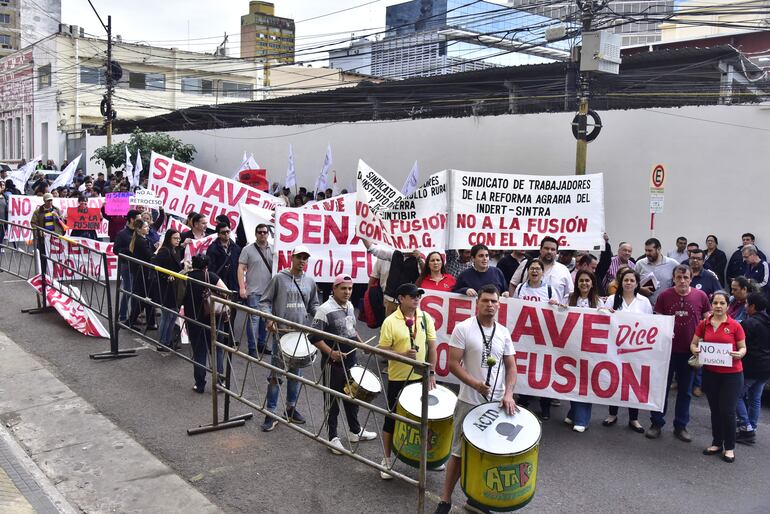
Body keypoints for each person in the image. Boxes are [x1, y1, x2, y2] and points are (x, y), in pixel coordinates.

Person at [434, 285, 517, 514]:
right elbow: (452, 364)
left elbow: (511, 367)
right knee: (459, 452)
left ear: (499, 305)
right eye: (486, 301)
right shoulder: (463, 328)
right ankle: (445, 499)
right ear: (477, 303)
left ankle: (477, 499)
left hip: (497, 403)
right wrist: (475, 384)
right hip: (469, 400)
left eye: (494, 301)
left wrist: (508, 393)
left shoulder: (503, 332)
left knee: (489, 453)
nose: (490, 305)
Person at [309, 274, 377, 454]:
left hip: (351, 360)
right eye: (343, 288)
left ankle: (355, 431)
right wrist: (331, 352)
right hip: (333, 363)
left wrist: (361, 344)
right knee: (332, 400)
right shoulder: (324, 310)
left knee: (352, 396)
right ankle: (332, 437)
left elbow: (351, 330)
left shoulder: (349, 305)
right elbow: (314, 336)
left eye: (350, 288)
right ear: (334, 288)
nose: (347, 292)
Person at [377, 282, 437, 480]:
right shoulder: (391, 321)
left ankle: (428, 458)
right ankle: (386, 460)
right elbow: (381, 351)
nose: (417, 299)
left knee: (425, 419)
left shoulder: (426, 318)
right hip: (398, 377)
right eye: (412, 296)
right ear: (401, 298)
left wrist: (432, 372)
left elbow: (432, 347)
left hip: (421, 376)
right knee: (391, 418)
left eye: (418, 296)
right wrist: (403, 354)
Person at [646, 265, 710, 442]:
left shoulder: (701, 296)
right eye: (679, 277)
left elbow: (708, 319)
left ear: (691, 279)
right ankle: (656, 423)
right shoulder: (664, 296)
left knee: (685, 391)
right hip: (666, 352)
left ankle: (681, 426)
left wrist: (704, 343)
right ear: (673, 278)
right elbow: (657, 322)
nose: (682, 280)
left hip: (689, 352)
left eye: (686, 277)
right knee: (661, 390)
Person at [258, 245, 319, 431]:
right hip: (281, 336)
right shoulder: (279, 278)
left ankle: (290, 409)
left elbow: (314, 305)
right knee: (276, 376)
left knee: (296, 376)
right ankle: (271, 412)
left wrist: (320, 320)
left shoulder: (310, 282)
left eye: (305, 258)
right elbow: (265, 302)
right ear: (292, 258)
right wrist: (268, 319)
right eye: (299, 257)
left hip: (300, 336)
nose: (302, 261)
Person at [691, 290, 746, 463]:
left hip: (732, 375)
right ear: (711, 305)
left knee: (727, 411)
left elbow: (743, 347)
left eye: (722, 303)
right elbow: (693, 343)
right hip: (711, 373)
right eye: (715, 303)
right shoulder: (704, 324)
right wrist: (696, 350)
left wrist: (740, 354)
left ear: (727, 306)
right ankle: (716, 443)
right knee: (715, 410)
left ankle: (729, 447)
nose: (718, 306)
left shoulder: (735, 326)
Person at [601, 268, 652, 432]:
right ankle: (612, 414)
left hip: (636, 349)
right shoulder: (611, 299)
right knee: (614, 379)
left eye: (632, 280)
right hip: (615, 347)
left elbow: (652, 324)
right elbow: (602, 318)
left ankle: (634, 418)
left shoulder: (644, 302)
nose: (628, 283)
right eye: (626, 280)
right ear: (621, 282)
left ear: (637, 283)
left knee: (633, 382)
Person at [510, 259, 556, 420]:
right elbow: (514, 307)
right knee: (524, 368)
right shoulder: (521, 288)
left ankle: (545, 405)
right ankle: (523, 400)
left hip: (542, 337)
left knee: (543, 370)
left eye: (538, 269)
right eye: (532, 269)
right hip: (523, 336)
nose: (535, 271)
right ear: (527, 271)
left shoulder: (549, 290)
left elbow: (558, 312)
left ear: (543, 272)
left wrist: (554, 304)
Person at [563, 270, 601, 432]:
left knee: (585, 383)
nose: (584, 283)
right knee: (572, 381)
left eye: (587, 280)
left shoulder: (599, 303)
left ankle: (581, 419)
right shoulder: (568, 298)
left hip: (588, 350)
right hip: (569, 348)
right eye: (581, 281)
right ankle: (573, 413)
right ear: (576, 283)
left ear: (592, 283)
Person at [183, 254, 226, 393]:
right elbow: (226, 292)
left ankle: (200, 383)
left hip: (193, 318)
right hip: (213, 318)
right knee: (217, 350)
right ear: (207, 266)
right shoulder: (211, 277)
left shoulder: (186, 277)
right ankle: (219, 382)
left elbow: (179, 297)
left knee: (199, 351)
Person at [735, 293, 770, 445]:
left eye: (747, 303)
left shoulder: (748, 324)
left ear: (753, 307)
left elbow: (740, 345)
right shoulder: (767, 321)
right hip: (766, 367)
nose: (745, 305)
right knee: (755, 398)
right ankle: (751, 427)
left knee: (736, 395)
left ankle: (746, 427)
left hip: (752, 368)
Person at [238, 223, 273, 357]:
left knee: (265, 320)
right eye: (260, 232)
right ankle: (252, 348)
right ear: (255, 234)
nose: (262, 234)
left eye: (265, 232)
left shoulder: (274, 249)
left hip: (269, 291)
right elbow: (240, 269)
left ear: (268, 234)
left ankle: (262, 344)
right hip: (253, 291)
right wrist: (242, 288)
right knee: (254, 320)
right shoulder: (247, 250)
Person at [364, 240, 421, 316]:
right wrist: (363, 237)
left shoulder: (418, 260)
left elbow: (426, 273)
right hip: (390, 300)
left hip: (407, 302)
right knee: (389, 326)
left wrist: (419, 259)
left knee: (405, 326)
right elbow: (374, 249)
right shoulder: (395, 254)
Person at [509, 237, 573, 303]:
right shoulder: (526, 264)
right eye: (546, 248)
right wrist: (514, 303)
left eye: (553, 249)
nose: (549, 252)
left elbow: (570, 294)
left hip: (554, 312)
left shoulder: (563, 270)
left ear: (557, 252)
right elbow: (513, 284)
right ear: (540, 249)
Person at [152, 229, 184, 352]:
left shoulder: (174, 250)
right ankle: (162, 342)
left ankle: (167, 340)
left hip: (173, 286)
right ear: (169, 238)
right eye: (175, 238)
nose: (178, 240)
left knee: (173, 314)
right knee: (167, 315)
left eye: (179, 238)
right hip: (166, 287)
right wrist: (166, 276)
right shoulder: (164, 251)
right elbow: (157, 266)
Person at [127, 219, 157, 331]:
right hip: (143, 273)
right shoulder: (141, 241)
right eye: (145, 227)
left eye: (148, 226)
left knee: (147, 298)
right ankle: (131, 321)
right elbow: (149, 256)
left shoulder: (142, 239)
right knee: (145, 298)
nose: (148, 228)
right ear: (139, 229)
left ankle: (150, 322)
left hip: (143, 272)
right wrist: (158, 249)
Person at [113, 210, 142, 323]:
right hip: (126, 265)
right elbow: (116, 250)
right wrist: (129, 252)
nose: (141, 221)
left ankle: (133, 317)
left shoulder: (139, 232)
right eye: (138, 219)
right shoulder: (122, 234)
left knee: (136, 292)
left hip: (138, 266)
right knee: (128, 290)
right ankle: (123, 316)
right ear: (132, 220)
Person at [635, 238, 680, 306]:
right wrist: (640, 289)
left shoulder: (673, 264)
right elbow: (632, 283)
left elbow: (680, 282)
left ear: (658, 249)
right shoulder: (640, 264)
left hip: (666, 307)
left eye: (650, 251)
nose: (647, 253)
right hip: (644, 307)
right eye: (646, 250)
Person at [206, 222, 241, 291]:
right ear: (218, 235)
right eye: (223, 232)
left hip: (233, 284)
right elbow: (210, 268)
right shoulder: (212, 248)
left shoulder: (236, 248)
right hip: (219, 284)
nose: (226, 234)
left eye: (228, 231)